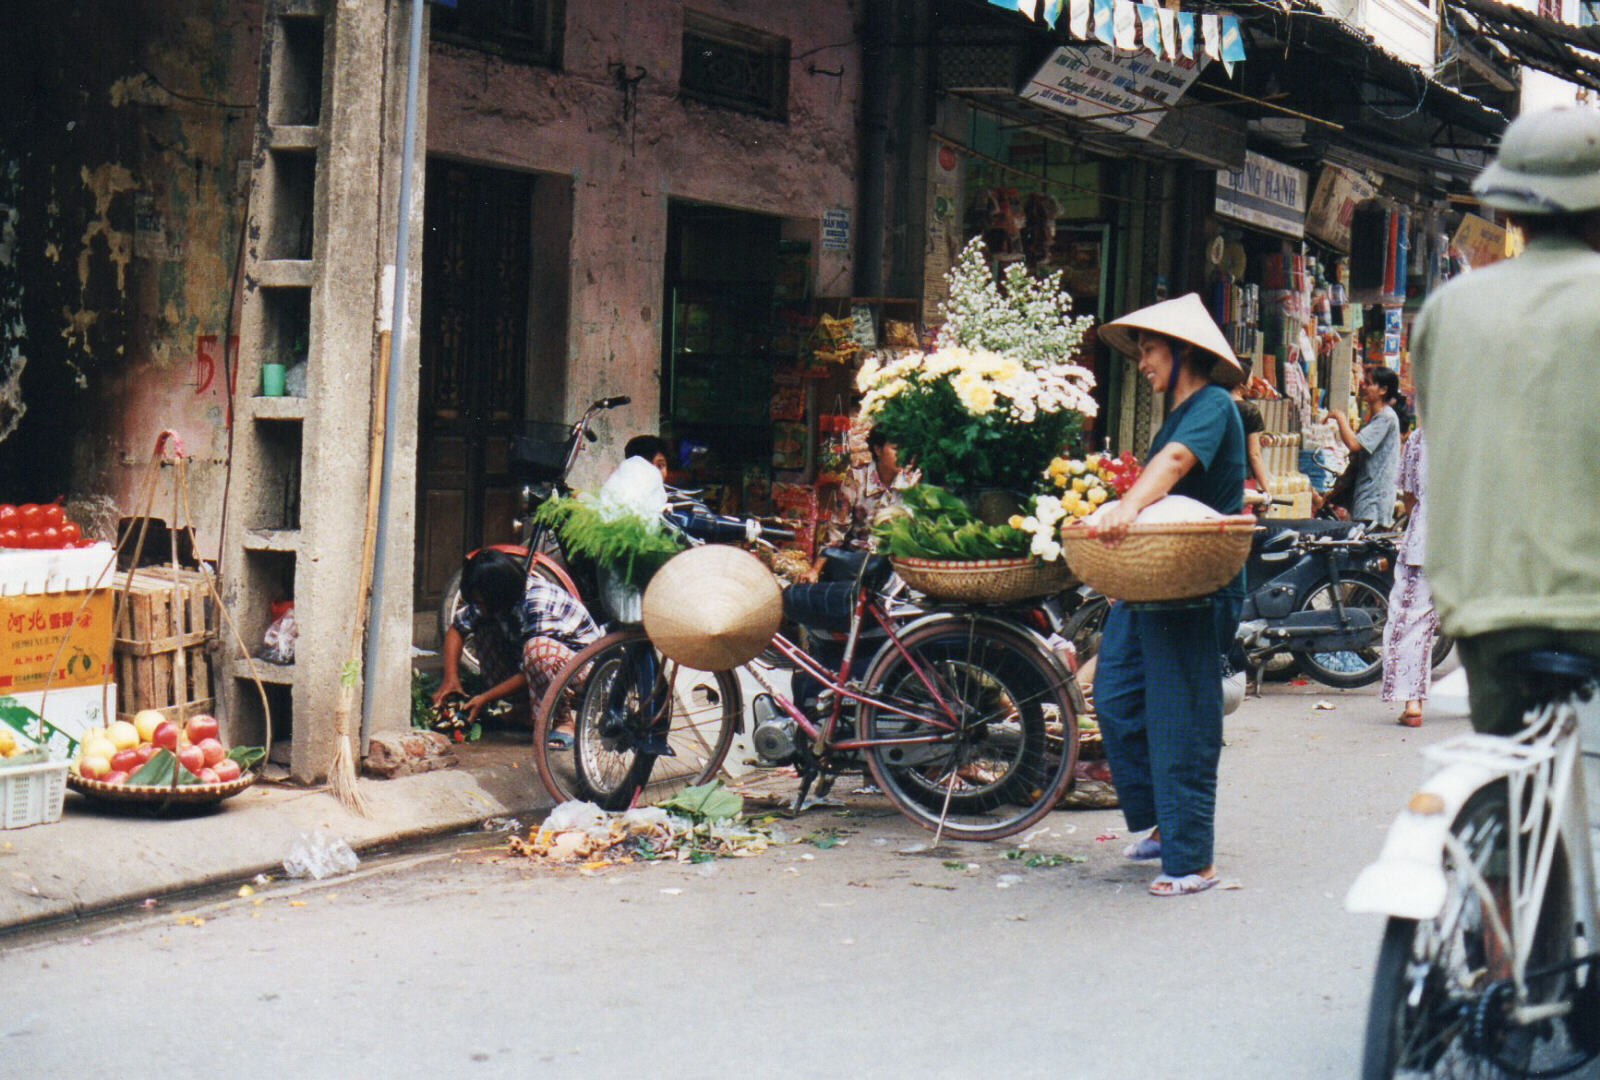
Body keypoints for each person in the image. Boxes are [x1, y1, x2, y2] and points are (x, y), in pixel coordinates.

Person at [1411, 107, 1600, 738]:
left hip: (1483, 612)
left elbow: (1443, 432)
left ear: (1510, 213)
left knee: (1513, 786)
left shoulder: (1449, 309)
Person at [1084, 293, 1247, 898]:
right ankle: (1164, 823)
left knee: (1180, 716)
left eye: (1150, 350)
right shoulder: (1176, 413)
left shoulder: (1210, 405)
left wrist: (1127, 506)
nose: (1143, 363)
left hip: (1197, 588)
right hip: (1154, 582)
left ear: (1183, 352)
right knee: (1117, 694)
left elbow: (1176, 464)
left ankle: (1191, 861)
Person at [432, 549, 603, 748]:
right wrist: (450, 678)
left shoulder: (539, 601)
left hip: (587, 678)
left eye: (481, 601)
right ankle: (524, 711)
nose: (480, 607)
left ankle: (562, 721)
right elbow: (457, 628)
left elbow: (531, 665)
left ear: (499, 593)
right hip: (543, 671)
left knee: (537, 650)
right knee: (485, 628)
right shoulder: (497, 601)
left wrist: (485, 698)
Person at [800, 427, 916, 584]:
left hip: (893, 570)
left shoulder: (910, 484)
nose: (901, 455)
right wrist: (815, 570)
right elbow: (836, 530)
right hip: (855, 565)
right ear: (878, 450)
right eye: (895, 449)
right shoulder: (856, 478)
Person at [1381, 428, 1437, 727]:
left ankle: (1412, 702)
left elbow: (1410, 496)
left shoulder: (1420, 437)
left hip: (1426, 538)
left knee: (1411, 620)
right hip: (1475, 542)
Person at [1323, 366, 1404, 526]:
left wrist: (1340, 418)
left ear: (1383, 390)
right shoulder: (1377, 418)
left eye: (1368, 383)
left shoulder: (1386, 418)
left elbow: (1354, 444)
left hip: (1373, 501)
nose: (1363, 387)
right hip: (1367, 498)